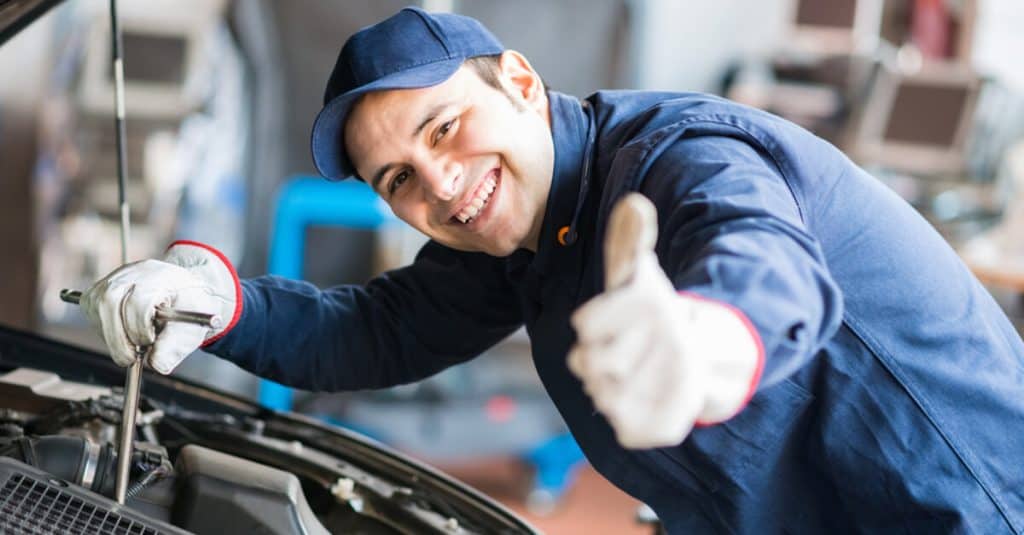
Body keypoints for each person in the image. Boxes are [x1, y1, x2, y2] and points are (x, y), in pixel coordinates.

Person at [81, 7, 1024, 533]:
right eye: (398, 179)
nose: (441, 186)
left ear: (522, 83)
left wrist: (705, 344)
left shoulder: (679, 155)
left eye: (445, 127)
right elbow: (381, 327)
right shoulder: (518, 229)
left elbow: (765, 264)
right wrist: (220, 301)